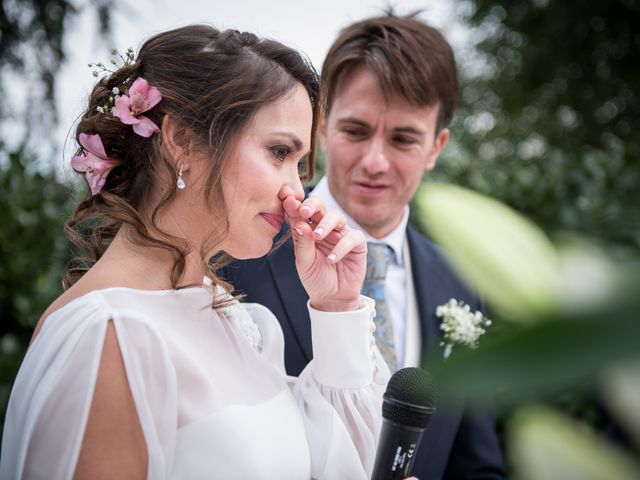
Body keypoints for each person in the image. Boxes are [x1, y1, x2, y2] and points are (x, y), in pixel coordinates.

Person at [0, 24, 390, 479]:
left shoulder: (243, 326)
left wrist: (337, 307)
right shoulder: (110, 336)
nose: (296, 190)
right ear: (182, 139)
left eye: (299, 164)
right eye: (278, 151)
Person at [223, 12, 506, 480]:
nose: (375, 161)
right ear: (322, 126)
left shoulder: (462, 281)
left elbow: (478, 465)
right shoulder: (240, 252)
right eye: (356, 131)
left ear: (436, 147)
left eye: (403, 139)